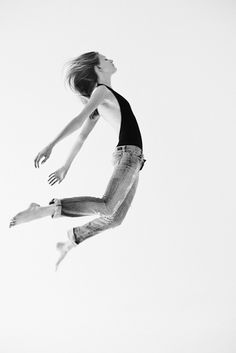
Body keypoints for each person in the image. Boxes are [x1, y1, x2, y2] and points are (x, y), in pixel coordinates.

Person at [9, 51, 146, 271]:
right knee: (108, 206)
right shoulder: (102, 91)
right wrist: (51, 145)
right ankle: (45, 210)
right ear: (98, 68)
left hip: (133, 160)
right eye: (105, 59)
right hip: (128, 155)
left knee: (115, 218)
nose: (111, 60)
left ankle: (71, 240)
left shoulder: (103, 97)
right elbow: (79, 122)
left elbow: (82, 137)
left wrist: (65, 166)